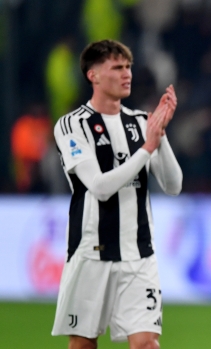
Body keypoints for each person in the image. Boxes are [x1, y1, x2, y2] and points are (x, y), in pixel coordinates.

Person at [51, 39, 183, 349]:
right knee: (83, 344)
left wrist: (159, 135)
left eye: (128, 67)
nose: (127, 74)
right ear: (93, 75)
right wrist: (147, 148)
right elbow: (98, 187)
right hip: (91, 254)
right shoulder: (72, 125)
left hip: (139, 256)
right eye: (117, 67)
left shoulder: (140, 122)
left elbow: (174, 186)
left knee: (147, 344)